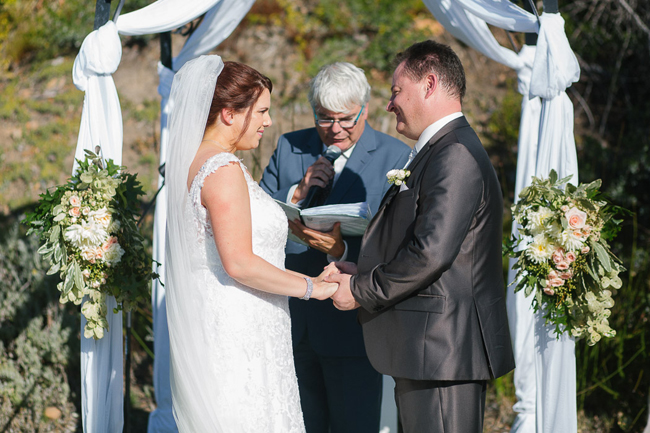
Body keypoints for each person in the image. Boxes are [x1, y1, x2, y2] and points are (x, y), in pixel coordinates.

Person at [326, 41, 516, 432]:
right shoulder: (439, 149)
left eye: (396, 91)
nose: (390, 104)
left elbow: (430, 253)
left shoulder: (455, 154)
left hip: (442, 352)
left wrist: (360, 289)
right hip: (428, 351)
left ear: (429, 84)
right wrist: (359, 265)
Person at [164, 55, 338, 432]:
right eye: (260, 111)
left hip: (229, 323)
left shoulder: (199, 161)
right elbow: (239, 262)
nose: (268, 122)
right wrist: (313, 288)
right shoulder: (222, 170)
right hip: (240, 333)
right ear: (229, 113)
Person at [260, 62, 411, 433]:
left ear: (365, 109)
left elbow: (400, 242)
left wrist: (341, 251)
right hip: (290, 318)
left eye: (345, 119)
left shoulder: (395, 156)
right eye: (324, 119)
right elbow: (255, 214)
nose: (335, 130)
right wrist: (295, 192)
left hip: (352, 324)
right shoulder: (289, 146)